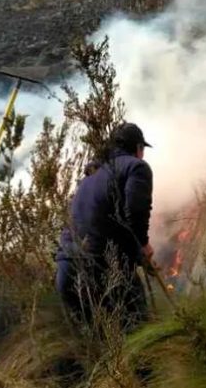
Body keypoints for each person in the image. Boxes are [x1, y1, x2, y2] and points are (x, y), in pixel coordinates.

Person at [55, 123, 154, 330]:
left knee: (94, 341)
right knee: (136, 332)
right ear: (137, 148)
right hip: (101, 266)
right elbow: (135, 211)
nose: (142, 154)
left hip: (67, 269)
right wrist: (142, 245)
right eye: (142, 149)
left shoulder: (89, 177)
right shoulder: (136, 167)